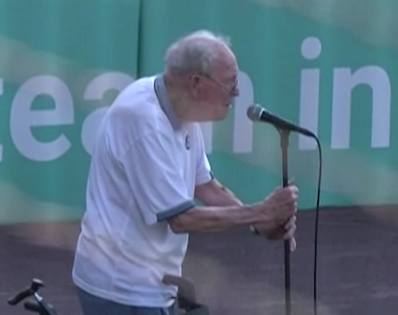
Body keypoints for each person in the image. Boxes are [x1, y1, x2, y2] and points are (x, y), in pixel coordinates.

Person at [71, 29, 298, 315]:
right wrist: (261, 212)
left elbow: (205, 186)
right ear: (196, 83)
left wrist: (259, 223)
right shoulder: (143, 121)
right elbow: (180, 218)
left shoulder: (182, 110)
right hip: (121, 290)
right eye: (230, 83)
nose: (237, 92)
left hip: (148, 286)